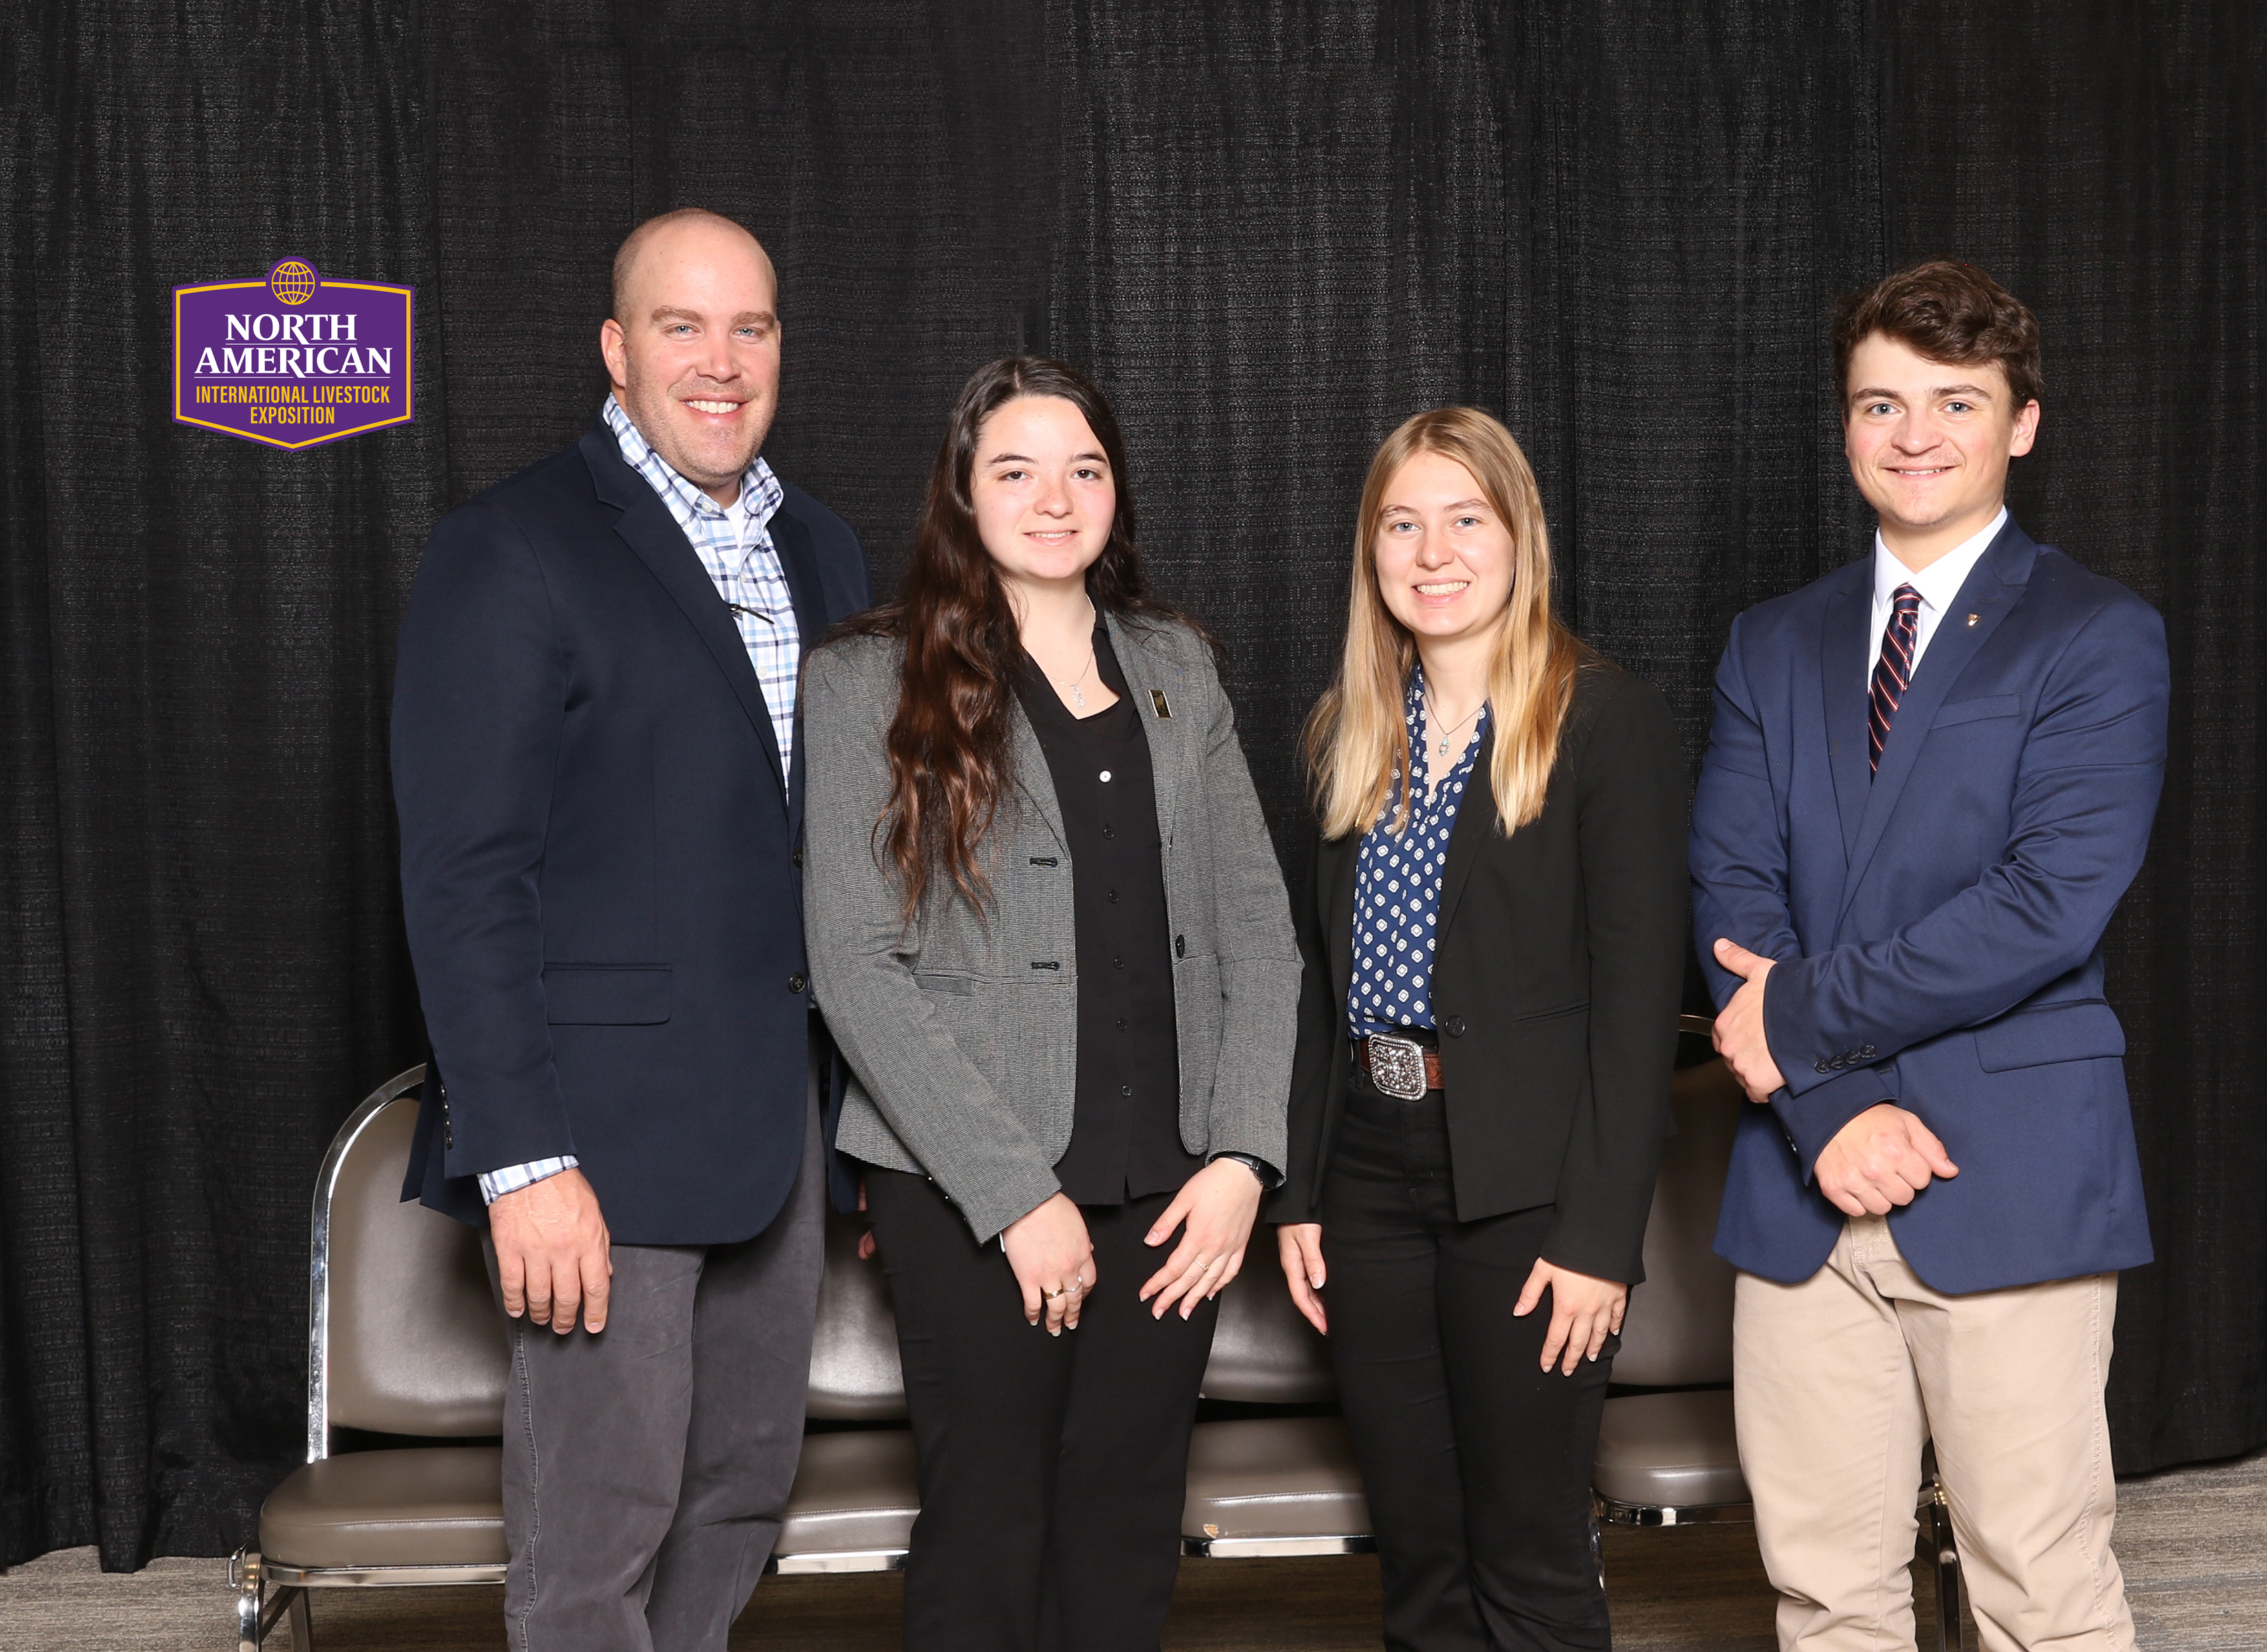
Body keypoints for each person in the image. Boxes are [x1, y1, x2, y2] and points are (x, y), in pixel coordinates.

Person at [392, 208, 872, 1651]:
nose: (720, 363)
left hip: (779, 1123)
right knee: (595, 1524)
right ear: (617, 349)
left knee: (738, 1495)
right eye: (682, 326)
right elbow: (465, 877)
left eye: (751, 328)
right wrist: (522, 1157)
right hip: (591, 1137)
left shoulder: (828, 553)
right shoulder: (511, 547)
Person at [1691, 258, 2169, 1651]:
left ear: (2021, 423)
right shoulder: (1769, 642)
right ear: (1844, 424)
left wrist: (1797, 1023)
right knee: (1826, 1593)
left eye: (1955, 403)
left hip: (2009, 1172)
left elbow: (2045, 907)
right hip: (1803, 1186)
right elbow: (1730, 892)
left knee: (2039, 1588)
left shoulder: (2096, 634)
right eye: (1881, 403)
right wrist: (1830, 1107)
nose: (1914, 435)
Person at [799, 356, 1298, 1652]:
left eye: (1084, 468)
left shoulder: (1177, 663)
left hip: (1175, 1184)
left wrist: (1245, 1154)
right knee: (989, 1531)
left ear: (1116, 491)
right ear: (963, 496)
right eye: (1015, 470)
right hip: (971, 1188)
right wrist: (1016, 1196)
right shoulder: (867, 679)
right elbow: (856, 967)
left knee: (1129, 1528)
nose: (1054, 497)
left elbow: (1260, 931)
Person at [1269, 407, 1687, 1651]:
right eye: (1403, 523)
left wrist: (1602, 1240)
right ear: (1371, 550)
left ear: (1520, 542)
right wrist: (1297, 1193)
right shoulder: (1347, 733)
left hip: (1529, 1188)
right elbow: (1311, 982)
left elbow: (1636, 1005)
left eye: (1466, 519)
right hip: (1368, 1180)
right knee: (1421, 1555)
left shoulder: (1605, 723)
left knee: (1531, 1554)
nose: (1433, 551)